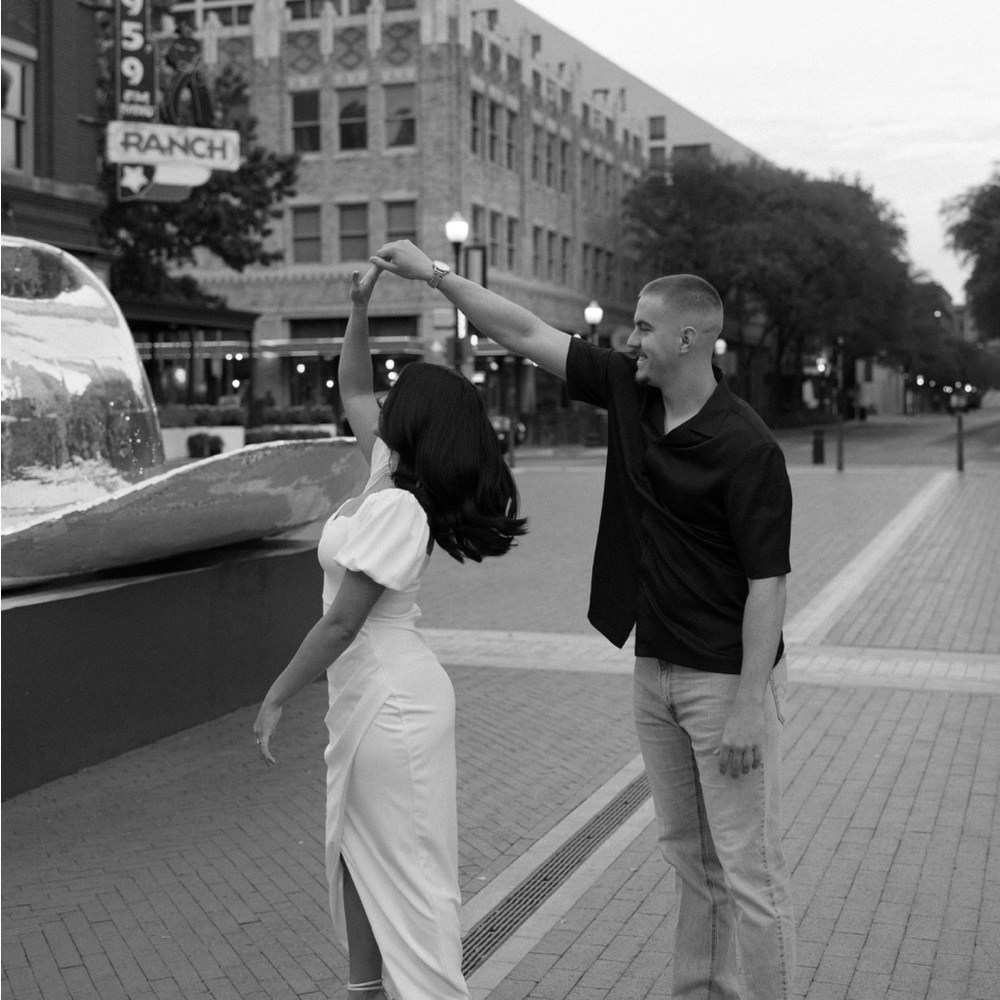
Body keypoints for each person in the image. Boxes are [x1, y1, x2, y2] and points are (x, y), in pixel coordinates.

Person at [370, 241, 795, 1000]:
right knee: (688, 862)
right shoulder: (631, 393)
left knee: (747, 874)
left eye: (643, 327)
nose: (629, 340)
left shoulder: (747, 447)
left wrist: (746, 709)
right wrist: (433, 273)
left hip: (725, 680)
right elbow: (526, 331)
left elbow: (768, 584)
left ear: (690, 339)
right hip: (654, 671)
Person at [253, 266, 526, 1000]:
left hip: (392, 704)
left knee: (408, 873)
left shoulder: (403, 508)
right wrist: (358, 309)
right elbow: (351, 386)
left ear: (416, 417)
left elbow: (343, 621)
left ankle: (434, 990)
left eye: (400, 389)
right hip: (368, 697)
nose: (386, 393)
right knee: (354, 851)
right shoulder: (386, 468)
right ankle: (367, 991)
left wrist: (277, 695)